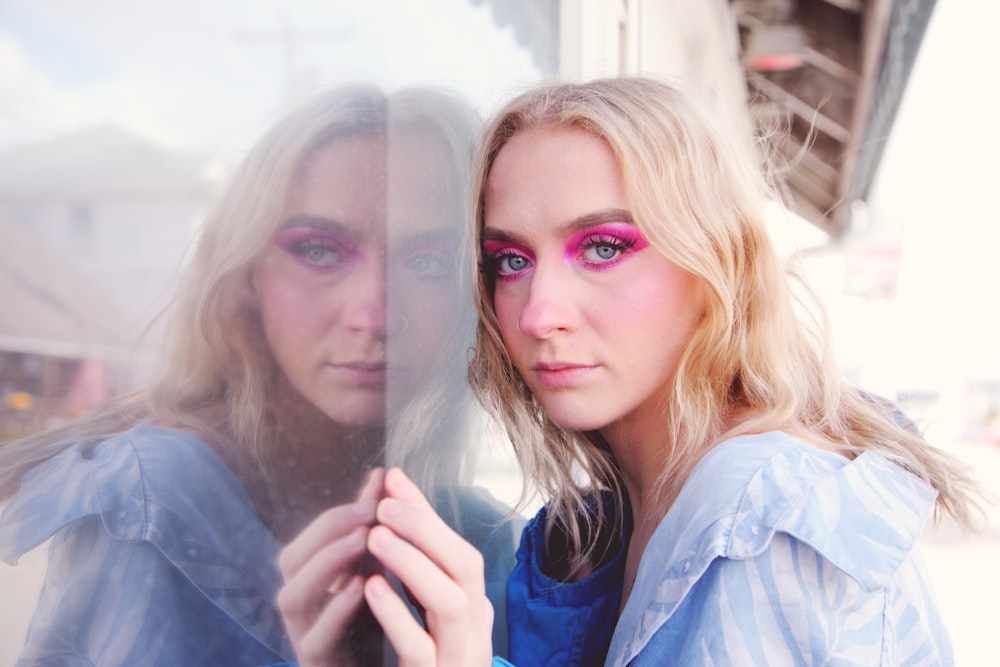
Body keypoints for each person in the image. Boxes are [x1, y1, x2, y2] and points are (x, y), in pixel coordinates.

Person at [282, 76, 983, 666]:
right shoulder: (616, 519)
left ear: (715, 261)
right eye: (512, 260)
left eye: (604, 247)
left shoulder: (761, 524)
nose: (538, 313)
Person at [0, 84, 519, 666]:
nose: (372, 315)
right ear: (248, 275)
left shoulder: (485, 539)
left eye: (427, 261)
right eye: (319, 251)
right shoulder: (156, 507)